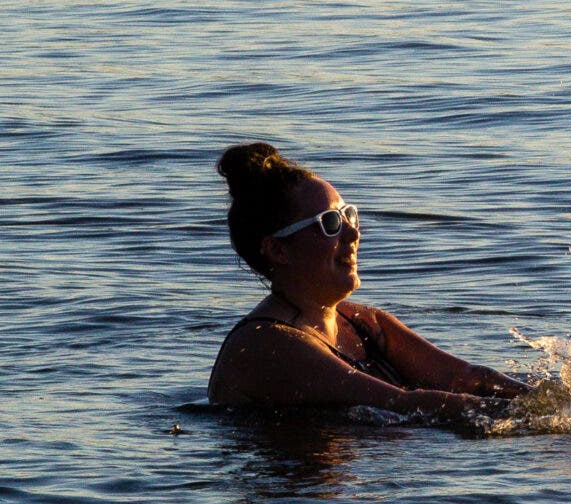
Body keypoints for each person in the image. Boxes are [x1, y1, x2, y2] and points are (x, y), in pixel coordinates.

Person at [207, 143, 527, 415]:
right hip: (301, 483)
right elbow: (402, 404)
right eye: (330, 223)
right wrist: (529, 422)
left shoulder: (363, 322)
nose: (353, 233)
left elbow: (466, 378)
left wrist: (555, 400)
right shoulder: (267, 342)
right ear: (278, 250)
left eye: (349, 214)